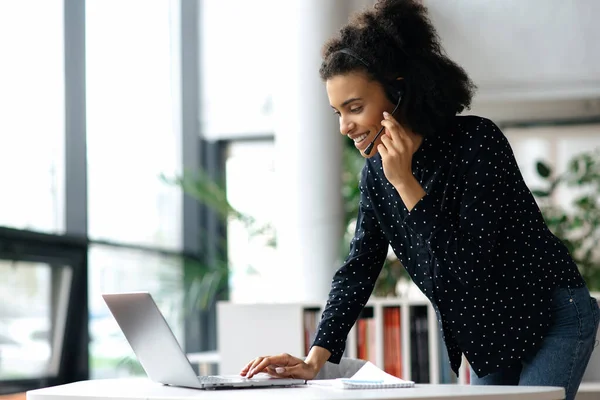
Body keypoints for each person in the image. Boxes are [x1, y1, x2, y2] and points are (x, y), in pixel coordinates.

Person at [240, 1, 599, 398]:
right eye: (337, 112)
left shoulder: (477, 143)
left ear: (397, 90)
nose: (344, 127)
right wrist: (314, 358)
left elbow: (469, 267)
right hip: (487, 336)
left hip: (552, 315)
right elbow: (358, 269)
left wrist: (407, 183)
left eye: (355, 108)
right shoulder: (376, 176)